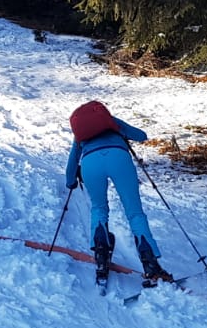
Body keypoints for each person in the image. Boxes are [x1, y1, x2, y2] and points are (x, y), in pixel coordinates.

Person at [64, 101, 172, 285]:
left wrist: (71, 182)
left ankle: (100, 258)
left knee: (98, 209)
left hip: (90, 163)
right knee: (135, 212)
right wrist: (118, 128)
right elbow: (141, 136)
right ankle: (151, 266)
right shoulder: (111, 122)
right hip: (119, 158)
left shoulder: (81, 135)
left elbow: (72, 161)